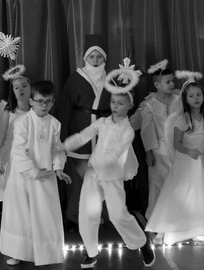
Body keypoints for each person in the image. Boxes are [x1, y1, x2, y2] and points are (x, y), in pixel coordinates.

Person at [62, 66, 155, 269]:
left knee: (118, 215)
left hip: (111, 177)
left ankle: (142, 243)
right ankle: (91, 253)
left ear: (129, 105)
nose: (115, 106)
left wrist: (94, 168)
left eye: (120, 103)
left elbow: (115, 154)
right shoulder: (103, 122)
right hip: (93, 175)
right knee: (87, 214)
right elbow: (84, 135)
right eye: (113, 102)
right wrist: (64, 146)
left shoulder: (127, 131)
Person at [144, 75, 204, 244]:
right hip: (184, 160)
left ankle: (198, 229)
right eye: (191, 96)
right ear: (186, 99)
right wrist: (189, 151)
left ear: (203, 97)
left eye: (198, 95)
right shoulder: (182, 118)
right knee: (179, 194)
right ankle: (167, 228)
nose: (196, 98)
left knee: (197, 194)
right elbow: (177, 143)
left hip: (198, 161)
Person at [0, 81, 70, 267]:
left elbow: (57, 148)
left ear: (53, 102)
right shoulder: (22, 122)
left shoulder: (54, 124)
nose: (44, 105)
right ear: (31, 101)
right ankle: (16, 252)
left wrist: (58, 167)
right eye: (40, 101)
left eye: (48, 101)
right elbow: (18, 150)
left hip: (44, 174)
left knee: (44, 214)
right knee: (20, 215)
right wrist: (32, 171)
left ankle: (45, 253)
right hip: (21, 176)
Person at [55, 35, 111, 229]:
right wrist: (62, 139)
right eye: (91, 57)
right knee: (79, 178)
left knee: (102, 178)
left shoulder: (111, 80)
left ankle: (99, 214)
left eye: (99, 56)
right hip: (80, 135)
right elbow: (64, 110)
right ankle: (74, 214)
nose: (95, 60)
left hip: (103, 135)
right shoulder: (75, 79)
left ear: (104, 58)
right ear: (85, 58)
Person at [130, 61, 181, 220]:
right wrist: (149, 152)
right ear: (157, 85)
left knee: (178, 184)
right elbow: (147, 130)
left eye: (172, 81)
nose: (172, 84)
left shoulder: (179, 101)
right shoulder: (150, 105)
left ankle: (177, 217)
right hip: (159, 152)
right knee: (158, 184)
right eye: (168, 82)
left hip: (178, 151)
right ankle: (156, 218)